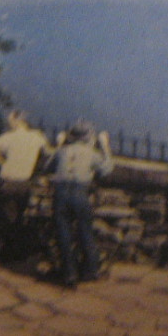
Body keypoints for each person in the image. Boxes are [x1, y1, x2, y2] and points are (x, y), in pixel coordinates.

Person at [48, 121, 114, 286]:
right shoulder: (91, 153)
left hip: (61, 193)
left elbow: (46, 166)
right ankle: (90, 270)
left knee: (63, 233)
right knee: (85, 230)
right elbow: (107, 169)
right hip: (79, 192)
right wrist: (105, 146)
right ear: (88, 137)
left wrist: (59, 145)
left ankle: (69, 273)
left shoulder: (62, 151)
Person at [0, 110, 50, 259]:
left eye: (10, 121)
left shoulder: (8, 137)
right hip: (24, 180)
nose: (9, 124)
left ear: (16, 121)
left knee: (7, 216)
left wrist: (1, 161)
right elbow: (46, 152)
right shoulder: (37, 137)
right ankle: (18, 251)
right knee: (20, 216)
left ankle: (6, 251)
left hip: (7, 179)